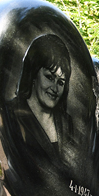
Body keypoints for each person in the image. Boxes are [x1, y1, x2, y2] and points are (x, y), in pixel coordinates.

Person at [13, 34, 77, 165]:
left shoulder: (67, 122)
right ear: (33, 74)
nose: (55, 88)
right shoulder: (11, 116)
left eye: (61, 82)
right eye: (49, 77)